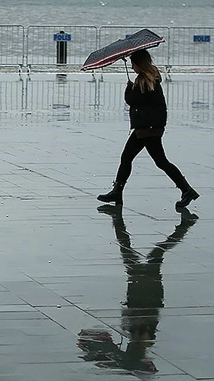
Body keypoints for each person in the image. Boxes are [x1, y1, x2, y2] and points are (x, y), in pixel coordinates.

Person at [77, 204, 197, 374]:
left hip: (146, 291)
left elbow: (146, 312)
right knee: (150, 253)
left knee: (150, 254)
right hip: (144, 290)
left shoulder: (142, 337)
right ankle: (183, 228)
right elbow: (142, 312)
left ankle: (182, 228)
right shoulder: (142, 336)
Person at [97, 49, 199, 208]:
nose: (132, 67)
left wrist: (128, 88)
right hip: (151, 127)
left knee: (128, 157)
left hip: (146, 128)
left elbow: (132, 100)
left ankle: (118, 191)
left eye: (133, 64)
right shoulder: (151, 77)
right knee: (159, 161)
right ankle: (187, 190)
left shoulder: (143, 80)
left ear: (139, 64)